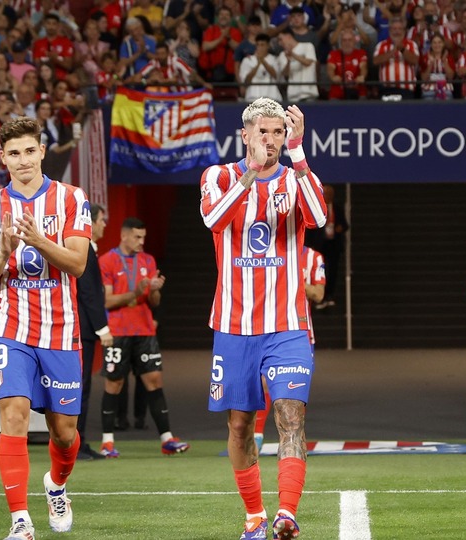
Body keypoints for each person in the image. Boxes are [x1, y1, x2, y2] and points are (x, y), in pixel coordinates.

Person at [199, 98, 327, 540]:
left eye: (278, 132)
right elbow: (215, 220)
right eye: (264, 132)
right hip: (233, 327)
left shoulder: (296, 179)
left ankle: (287, 514)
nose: (271, 141)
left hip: (288, 324)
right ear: (246, 135)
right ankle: (254, 515)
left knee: (291, 417)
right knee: (239, 425)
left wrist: (300, 151)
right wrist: (251, 173)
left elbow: (321, 216)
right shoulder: (218, 176)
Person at [0, 116, 92, 540]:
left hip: (61, 330)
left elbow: (77, 264)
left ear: (42, 151)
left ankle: (56, 486)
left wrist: (38, 240)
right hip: (11, 327)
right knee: (14, 415)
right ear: (2, 158)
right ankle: (20, 520)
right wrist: (3, 252)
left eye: (29, 151)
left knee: (65, 433)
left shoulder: (72, 199)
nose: (22, 160)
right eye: (13, 153)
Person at [97, 217, 189, 458]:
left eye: (143, 237)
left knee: (154, 382)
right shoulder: (107, 261)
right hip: (118, 332)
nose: (141, 241)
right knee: (114, 384)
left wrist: (155, 290)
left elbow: (153, 301)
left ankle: (167, 439)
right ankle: (107, 442)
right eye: (137, 237)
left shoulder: (148, 260)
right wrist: (134, 293)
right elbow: (107, 301)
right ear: (124, 235)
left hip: (145, 331)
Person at [254, 244, 326, 451]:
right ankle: (256, 434)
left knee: (295, 392)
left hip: (300, 333)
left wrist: (293, 278)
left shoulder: (313, 257)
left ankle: (294, 441)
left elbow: (319, 294)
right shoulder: (263, 250)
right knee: (265, 383)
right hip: (268, 328)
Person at [75, 204, 114, 461]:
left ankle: (79, 443)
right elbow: (89, 293)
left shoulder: (87, 249)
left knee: (83, 388)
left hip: (83, 330)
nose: (104, 225)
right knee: (79, 388)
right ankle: (73, 446)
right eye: (101, 220)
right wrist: (103, 328)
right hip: (83, 330)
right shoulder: (85, 248)